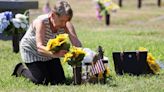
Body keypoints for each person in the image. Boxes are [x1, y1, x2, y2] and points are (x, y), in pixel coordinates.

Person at [12, 0, 82, 85]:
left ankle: (46, 70)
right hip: (32, 51)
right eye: (61, 21)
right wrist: (56, 55)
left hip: (51, 51)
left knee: (59, 80)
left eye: (66, 21)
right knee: (41, 80)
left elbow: (77, 44)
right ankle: (20, 69)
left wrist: (78, 54)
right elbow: (39, 47)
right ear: (53, 15)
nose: (64, 24)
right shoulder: (41, 22)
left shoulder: (66, 24)